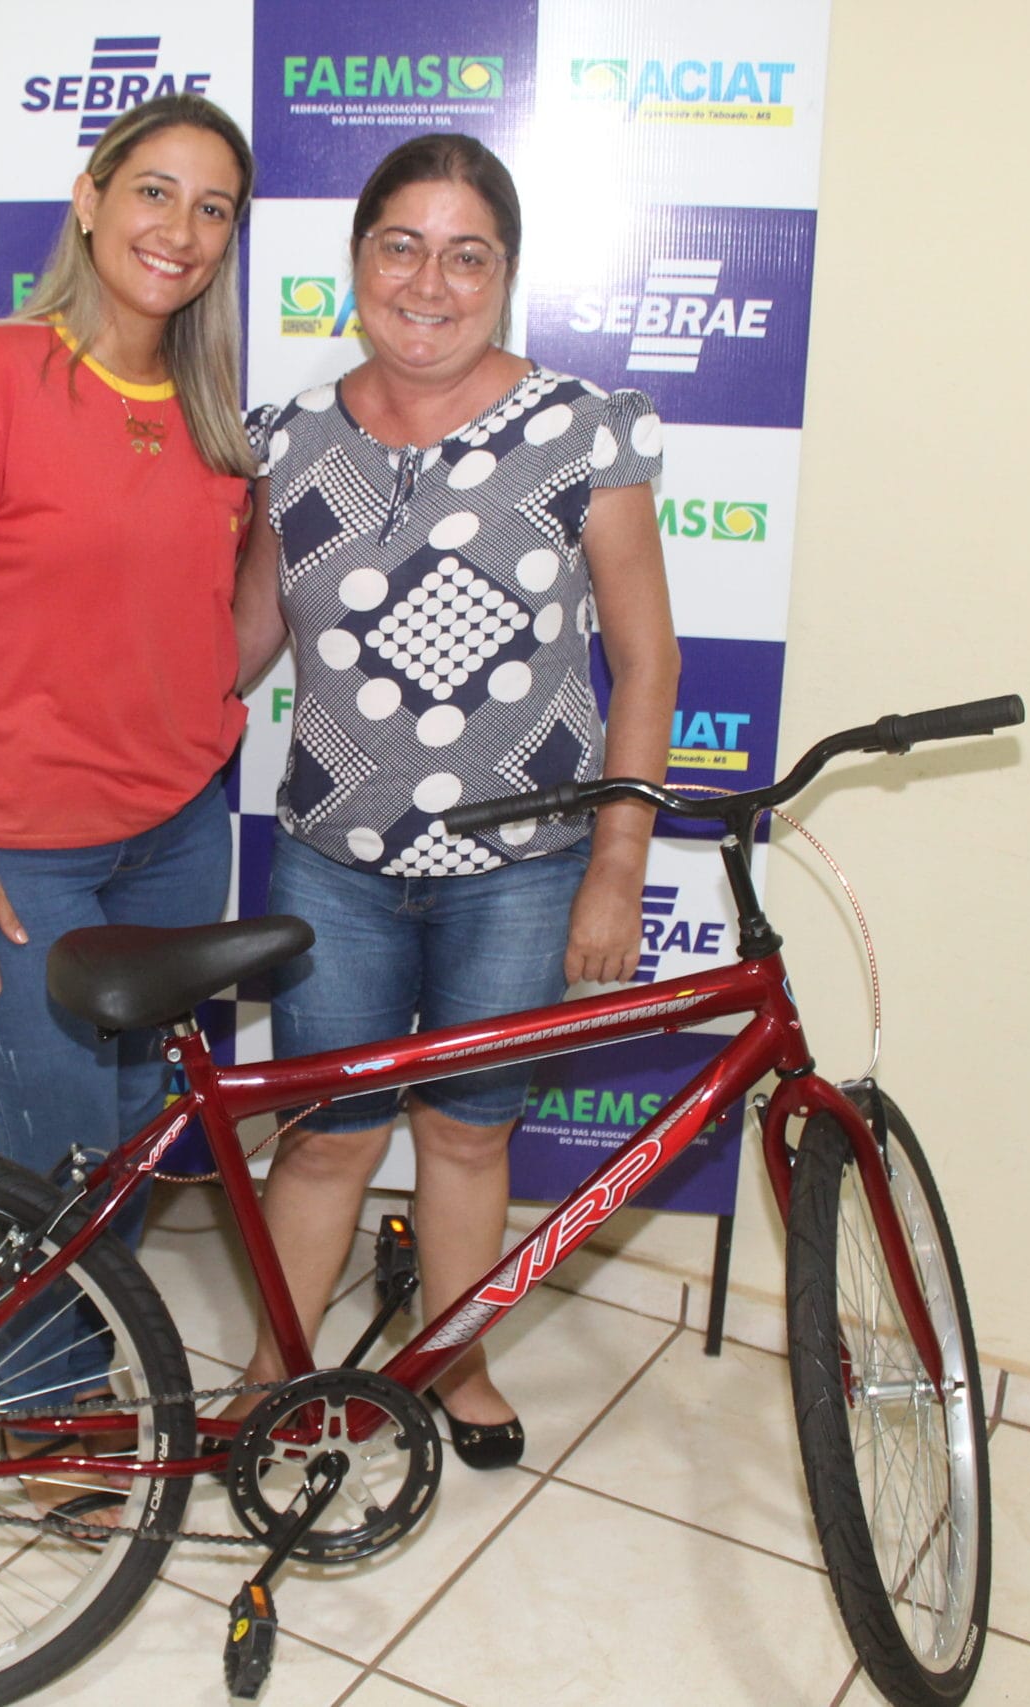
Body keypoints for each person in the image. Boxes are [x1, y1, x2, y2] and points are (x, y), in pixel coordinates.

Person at [230, 133, 680, 1468]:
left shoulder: (582, 431)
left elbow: (647, 660)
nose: (430, 282)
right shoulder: (290, 441)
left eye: (466, 255)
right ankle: (274, 1369)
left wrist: (617, 866)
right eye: (402, 247)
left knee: (469, 1138)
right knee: (326, 1142)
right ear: (357, 261)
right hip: (332, 865)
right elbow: (240, 645)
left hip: (524, 870)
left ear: (507, 274)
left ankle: (454, 1359)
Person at [0, 95, 256, 1496]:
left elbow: (194, 616)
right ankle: (46, 1425)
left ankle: (73, 1380)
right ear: (89, 200)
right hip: (15, 856)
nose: (180, 230)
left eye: (213, 208)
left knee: (130, 1145)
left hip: (175, 842)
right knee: (59, 1159)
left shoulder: (213, 417)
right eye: (154, 191)